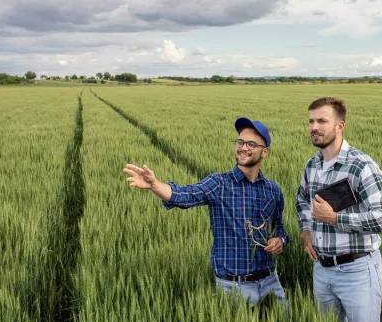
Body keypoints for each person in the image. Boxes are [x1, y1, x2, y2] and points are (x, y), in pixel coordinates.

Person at [123, 117, 290, 309]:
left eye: (251, 144)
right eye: (240, 142)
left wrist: (280, 240)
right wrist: (154, 185)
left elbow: (279, 227)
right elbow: (184, 195)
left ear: (265, 152)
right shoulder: (219, 184)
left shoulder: (273, 190)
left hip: (271, 282)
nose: (243, 147)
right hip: (234, 287)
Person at [296, 97, 382, 322]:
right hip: (322, 272)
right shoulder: (312, 165)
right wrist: (305, 231)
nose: (314, 127)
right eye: (311, 121)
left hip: (357, 272)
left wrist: (335, 219)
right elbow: (302, 199)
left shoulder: (360, 166)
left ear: (340, 126)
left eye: (321, 121)